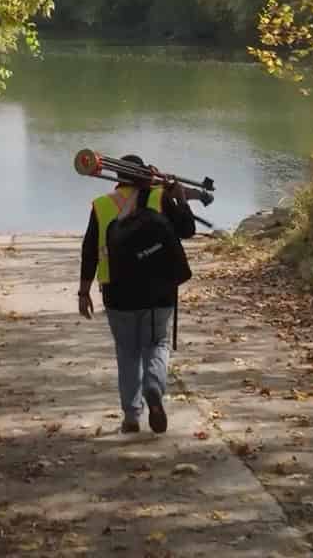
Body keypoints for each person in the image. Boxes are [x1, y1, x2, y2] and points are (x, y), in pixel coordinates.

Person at [77, 154, 194, 434]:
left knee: (127, 353)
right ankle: (153, 386)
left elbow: (89, 251)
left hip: (118, 293)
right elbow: (187, 231)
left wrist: (83, 292)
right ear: (145, 175)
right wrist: (179, 198)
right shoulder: (160, 198)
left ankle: (131, 415)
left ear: (117, 177)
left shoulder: (102, 205)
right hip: (160, 291)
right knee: (157, 344)